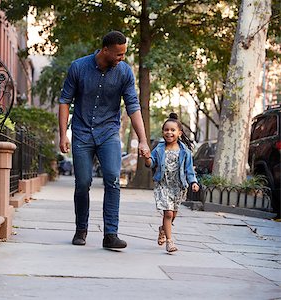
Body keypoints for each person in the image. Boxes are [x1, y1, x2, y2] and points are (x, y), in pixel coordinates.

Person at [58, 31, 150, 249]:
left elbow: (133, 107)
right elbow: (65, 101)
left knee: (112, 178)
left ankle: (110, 234)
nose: (122, 58)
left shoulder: (125, 73)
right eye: (119, 54)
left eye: (124, 54)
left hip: (108, 132)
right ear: (105, 50)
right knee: (83, 183)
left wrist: (143, 140)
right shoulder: (79, 67)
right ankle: (81, 229)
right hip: (81, 132)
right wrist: (63, 134)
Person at [143, 113, 199, 253]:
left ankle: (163, 229)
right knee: (167, 213)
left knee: (173, 214)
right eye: (166, 130)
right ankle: (169, 241)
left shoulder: (185, 151)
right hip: (163, 185)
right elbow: (151, 163)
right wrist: (146, 158)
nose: (169, 132)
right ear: (163, 132)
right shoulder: (160, 149)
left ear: (179, 133)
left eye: (172, 130)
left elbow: (189, 170)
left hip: (178, 186)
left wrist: (193, 182)